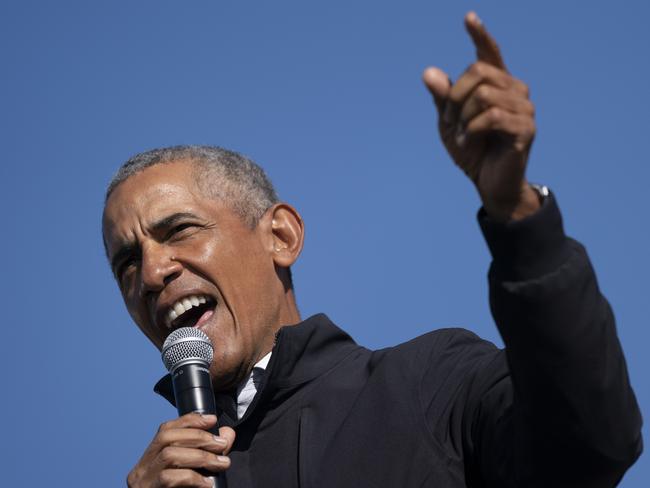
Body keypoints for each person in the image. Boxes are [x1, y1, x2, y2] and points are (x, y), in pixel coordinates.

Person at [102, 12, 642, 488]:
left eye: (178, 231)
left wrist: (520, 220)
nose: (151, 272)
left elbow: (588, 447)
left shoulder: (429, 385)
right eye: (126, 262)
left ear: (282, 237)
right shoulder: (164, 479)